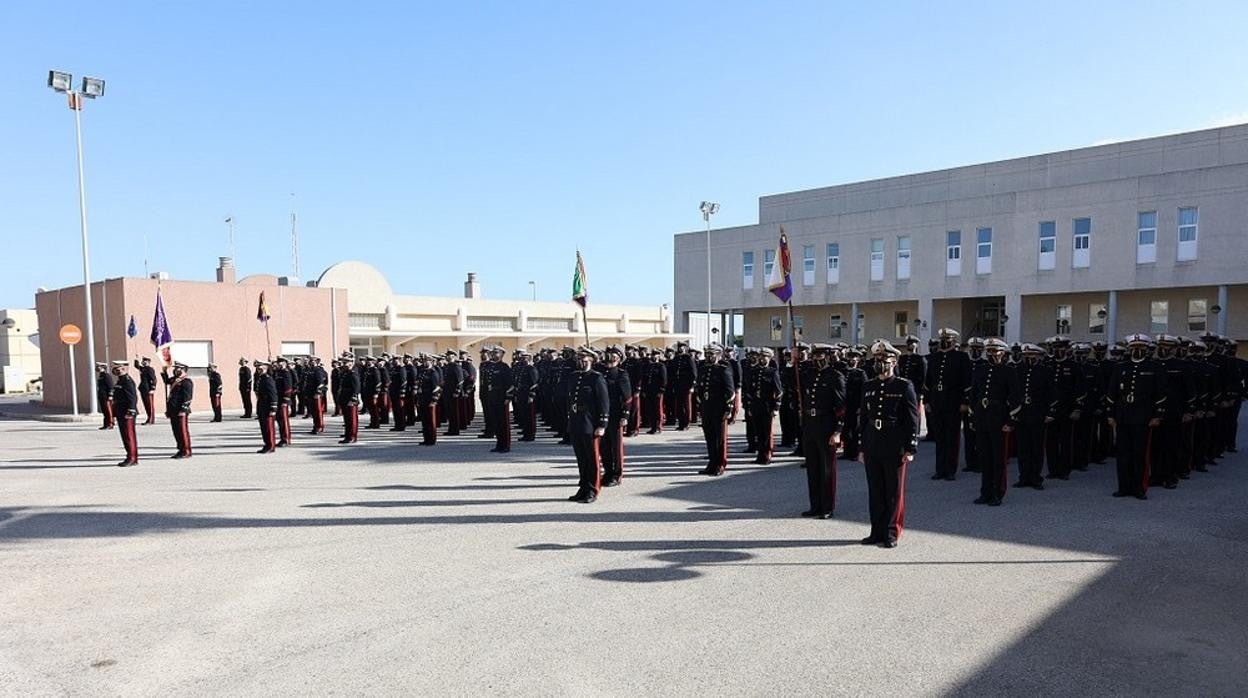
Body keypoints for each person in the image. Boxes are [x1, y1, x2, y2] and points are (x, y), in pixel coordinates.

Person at [858, 340, 920, 549]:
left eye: (883, 359)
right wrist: (861, 447)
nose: (880, 363)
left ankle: (892, 532)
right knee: (875, 490)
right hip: (872, 443)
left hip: (894, 445)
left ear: (894, 361)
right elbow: (863, 418)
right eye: (876, 359)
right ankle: (876, 531)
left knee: (893, 491)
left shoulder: (904, 386)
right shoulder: (868, 385)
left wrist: (910, 447)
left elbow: (912, 419)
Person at [1106, 334, 1166, 500]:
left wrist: (1158, 415)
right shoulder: (1121, 367)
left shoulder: (1154, 367)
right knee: (1123, 453)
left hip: (1143, 418)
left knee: (1140, 454)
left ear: (1147, 349)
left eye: (1141, 347)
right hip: (1123, 417)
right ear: (1129, 349)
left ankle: (1139, 487)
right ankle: (1123, 487)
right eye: (1134, 347)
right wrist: (1110, 414)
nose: (1137, 350)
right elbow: (1112, 393)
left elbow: (1161, 394)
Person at [968, 339, 1021, 506]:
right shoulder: (980, 370)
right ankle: (985, 492)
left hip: (999, 418)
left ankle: (997, 493)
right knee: (984, 457)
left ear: (1003, 354)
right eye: (989, 352)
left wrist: (1011, 420)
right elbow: (974, 394)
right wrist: (972, 417)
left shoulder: (1009, 371)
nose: (991, 355)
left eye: (995, 352)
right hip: (982, 417)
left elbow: (1014, 397)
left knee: (998, 458)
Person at [800, 344, 846, 517]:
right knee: (812, 468)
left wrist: (838, 431)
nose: (816, 359)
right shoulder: (809, 374)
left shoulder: (835, 376)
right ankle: (815, 506)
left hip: (826, 424)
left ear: (828, 356)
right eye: (815, 356)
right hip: (810, 424)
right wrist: (796, 359)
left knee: (826, 469)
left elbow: (841, 407)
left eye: (820, 356)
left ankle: (827, 507)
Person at [924, 328, 971, 481]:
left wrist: (965, 402)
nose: (944, 342)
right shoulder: (934, 358)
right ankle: (940, 469)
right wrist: (926, 401)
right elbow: (928, 382)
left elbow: (967, 382)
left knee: (952, 436)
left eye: (948, 339)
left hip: (953, 401)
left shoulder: (961, 357)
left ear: (953, 341)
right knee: (940, 437)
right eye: (943, 339)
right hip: (937, 401)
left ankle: (951, 469)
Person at [565, 347, 609, 503]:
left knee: (592, 459)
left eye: (584, 358)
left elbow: (603, 403)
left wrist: (602, 424)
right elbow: (570, 399)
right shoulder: (574, 376)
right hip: (577, 421)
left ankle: (592, 489)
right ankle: (583, 487)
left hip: (590, 423)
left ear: (591, 360)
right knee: (581, 458)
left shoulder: (596, 378)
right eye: (579, 358)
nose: (581, 361)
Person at [1012, 344, 1055, 490]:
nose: (1028, 358)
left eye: (1031, 355)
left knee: (1036, 448)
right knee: (1023, 448)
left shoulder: (1045, 371)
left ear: (1038, 356)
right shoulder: (1018, 370)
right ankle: (1023, 476)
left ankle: (1036, 478)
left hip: (1038, 413)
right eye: (1026, 355)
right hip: (1022, 413)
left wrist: (1050, 413)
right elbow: (1013, 393)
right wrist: (1014, 413)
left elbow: (1051, 394)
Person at [696, 343, 735, 476]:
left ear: (718, 355)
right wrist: (700, 405)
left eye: (711, 354)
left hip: (719, 408)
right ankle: (711, 463)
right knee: (709, 437)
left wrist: (728, 409)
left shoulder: (724, 368)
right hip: (707, 407)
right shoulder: (703, 368)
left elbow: (730, 391)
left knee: (720, 438)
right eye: (707, 354)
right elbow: (700, 388)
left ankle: (720, 464)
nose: (708, 357)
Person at [600, 347, 632, 487]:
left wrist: (625, 414)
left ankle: (616, 475)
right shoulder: (600, 372)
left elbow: (627, 397)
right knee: (604, 446)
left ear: (618, 358)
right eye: (609, 354)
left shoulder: (621, 374)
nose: (610, 356)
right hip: (602, 414)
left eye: (613, 355)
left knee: (616, 447)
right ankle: (607, 472)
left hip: (615, 414)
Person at [750, 348, 782, 464]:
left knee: (767, 432)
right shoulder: (754, 371)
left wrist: (776, 408)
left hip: (767, 406)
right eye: (760, 357)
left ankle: (767, 455)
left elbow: (779, 392)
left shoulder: (772, 372)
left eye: (764, 357)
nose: (762, 359)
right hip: (756, 405)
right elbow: (750, 390)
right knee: (758, 432)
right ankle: (760, 455)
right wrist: (749, 406)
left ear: (769, 358)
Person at [484, 346, 514, 453]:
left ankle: (505, 445)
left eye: (496, 352)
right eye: (493, 353)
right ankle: (499, 444)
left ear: (502, 354)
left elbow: (510, 385)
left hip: (502, 398)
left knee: (503, 423)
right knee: (496, 422)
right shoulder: (491, 367)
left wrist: (508, 397)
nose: (493, 354)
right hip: (493, 397)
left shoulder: (504, 367)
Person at [163, 362, 194, 458]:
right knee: (176, 431)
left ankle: (186, 450)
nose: (176, 370)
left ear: (183, 370)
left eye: (178, 368)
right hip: (173, 409)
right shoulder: (174, 380)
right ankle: (180, 449)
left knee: (182, 431)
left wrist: (183, 410)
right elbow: (167, 381)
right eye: (175, 368)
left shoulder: (186, 382)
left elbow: (188, 397)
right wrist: (164, 372)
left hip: (181, 411)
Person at [111, 360, 139, 466]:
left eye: (119, 369)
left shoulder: (127, 381)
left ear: (125, 369)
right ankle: (130, 456)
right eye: (116, 369)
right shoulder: (120, 381)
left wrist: (131, 410)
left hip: (127, 412)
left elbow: (132, 397)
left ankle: (132, 458)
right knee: (125, 435)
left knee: (129, 436)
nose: (117, 371)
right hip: (121, 411)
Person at [416, 354, 443, 445]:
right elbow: (419, 386)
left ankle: (432, 439)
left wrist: (434, 401)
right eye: (424, 361)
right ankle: (426, 438)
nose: (425, 362)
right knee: (424, 420)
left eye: (427, 361)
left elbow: (437, 389)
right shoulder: (423, 372)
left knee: (431, 421)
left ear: (431, 362)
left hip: (430, 399)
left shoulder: (433, 373)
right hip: (423, 398)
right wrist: (418, 399)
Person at [253, 360, 278, 453]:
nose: (259, 370)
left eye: (261, 368)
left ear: (266, 368)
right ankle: (267, 444)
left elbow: (273, 394)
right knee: (264, 427)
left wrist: (273, 407)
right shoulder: (261, 378)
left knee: (269, 427)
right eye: (258, 368)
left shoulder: (268, 379)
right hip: (262, 405)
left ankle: (271, 445)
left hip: (268, 406)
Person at [641, 349, 668, 433]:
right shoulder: (650, 366)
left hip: (657, 391)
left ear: (659, 356)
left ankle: (659, 427)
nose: (654, 356)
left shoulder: (661, 366)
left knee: (658, 409)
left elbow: (664, 379)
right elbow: (645, 379)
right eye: (653, 355)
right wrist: (644, 390)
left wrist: (661, 390)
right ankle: (653, 427)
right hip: (649, 391)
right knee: (651, 409)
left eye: (656, 355)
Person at [337, 354, 361, 444]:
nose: (344, 364)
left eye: (346, 362)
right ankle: (347, 436)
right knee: (347, 420)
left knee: (352, 419)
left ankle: (352, 436)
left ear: (351, 363)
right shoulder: (345, 373)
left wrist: (353, 399)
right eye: (343, 362)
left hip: (350, 399)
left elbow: (357, 388)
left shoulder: (353, 374)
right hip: (344, 398)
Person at [133, 356, 158, 424]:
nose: (143, 362)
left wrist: (153, 388)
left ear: (148, 362)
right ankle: (148, 418)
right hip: (143, 389)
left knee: (150, 405)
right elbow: (136, 366)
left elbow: (154, 379)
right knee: (146, 405)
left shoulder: (150, 369)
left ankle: (151, 419)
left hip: (148, 389)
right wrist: (136, 360)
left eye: (145, 361)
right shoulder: (143, 369)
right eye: (143, 361)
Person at [95, 363, 116, 430]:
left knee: (108, 410)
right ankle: (106, 424)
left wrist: (110, 395)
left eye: (99, 367)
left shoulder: (107, 376)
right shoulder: (101, 376)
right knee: (104, 411)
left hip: (106, 397)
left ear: (103, 368)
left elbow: (110, 386)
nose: (98, 368)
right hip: (102, 396)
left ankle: (110, 423)